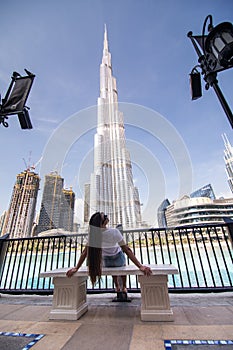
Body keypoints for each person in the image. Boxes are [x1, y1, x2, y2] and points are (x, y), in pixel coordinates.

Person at [66, 212, 152, 298]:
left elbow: (84, 252)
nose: (107, 217)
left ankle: (117, 287)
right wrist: (140, 266)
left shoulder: (93, 235)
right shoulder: (114, 232)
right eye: (105, 217)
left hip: (106, 262)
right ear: (102, 223)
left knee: (112, 268)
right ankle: (124, 287)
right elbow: (127, 250)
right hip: (118, 260)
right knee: (122, 265)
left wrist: (77, 267)